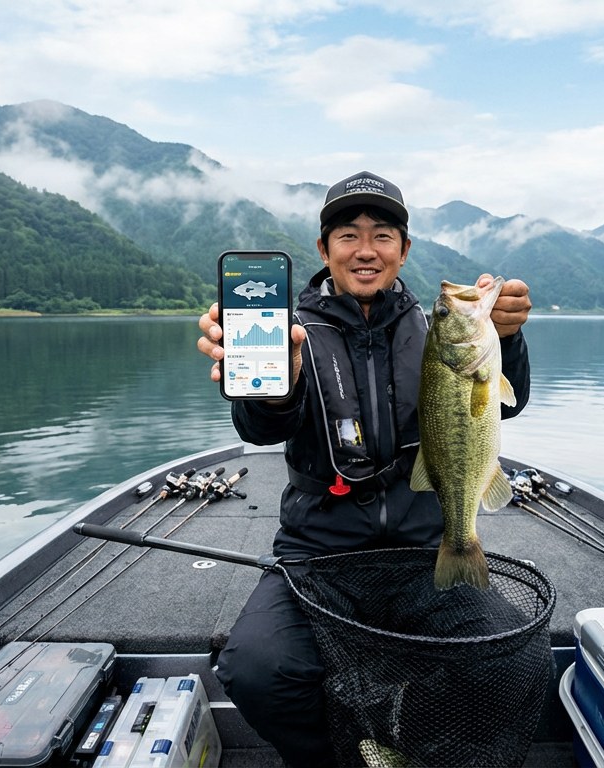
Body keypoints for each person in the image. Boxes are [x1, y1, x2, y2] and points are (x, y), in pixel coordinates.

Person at [195, 170, 532, 767]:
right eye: (348, 234)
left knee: (508, 654)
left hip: (423, 548)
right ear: (323, 251)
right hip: (316, 553)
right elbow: (262, 430)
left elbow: (502, 399)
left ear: (404, 250)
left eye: (382, 234)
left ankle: (423, 754)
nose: (366, 249)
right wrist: (273, 391)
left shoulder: (437, 328)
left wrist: (509, 337)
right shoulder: (290, 332)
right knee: (255, 669)